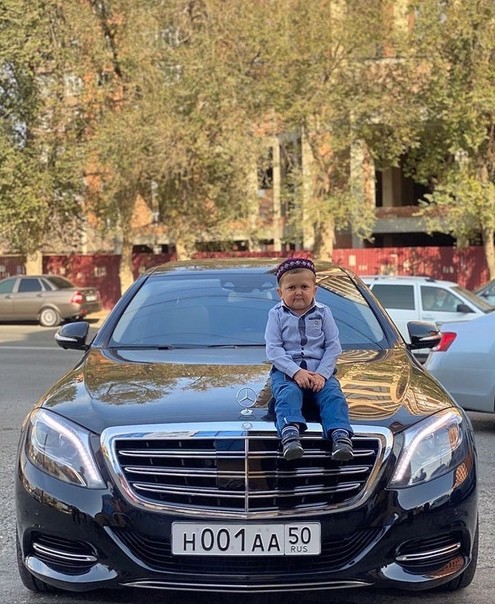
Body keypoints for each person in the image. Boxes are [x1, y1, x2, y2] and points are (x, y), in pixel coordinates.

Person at [264, 257, 353, 462]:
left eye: (304, 286)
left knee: (333, 396)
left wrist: (322, 374)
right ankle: (290, 435)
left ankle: (340, 436)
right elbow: (274, 349)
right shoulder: (276, 314)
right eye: (291, 287)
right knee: (288, 394)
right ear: (280, 292)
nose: (298, 292)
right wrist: (296, 372)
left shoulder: (324, 313)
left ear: (315, 290)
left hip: (320, 372)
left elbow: (333, 346)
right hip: (287, 373)